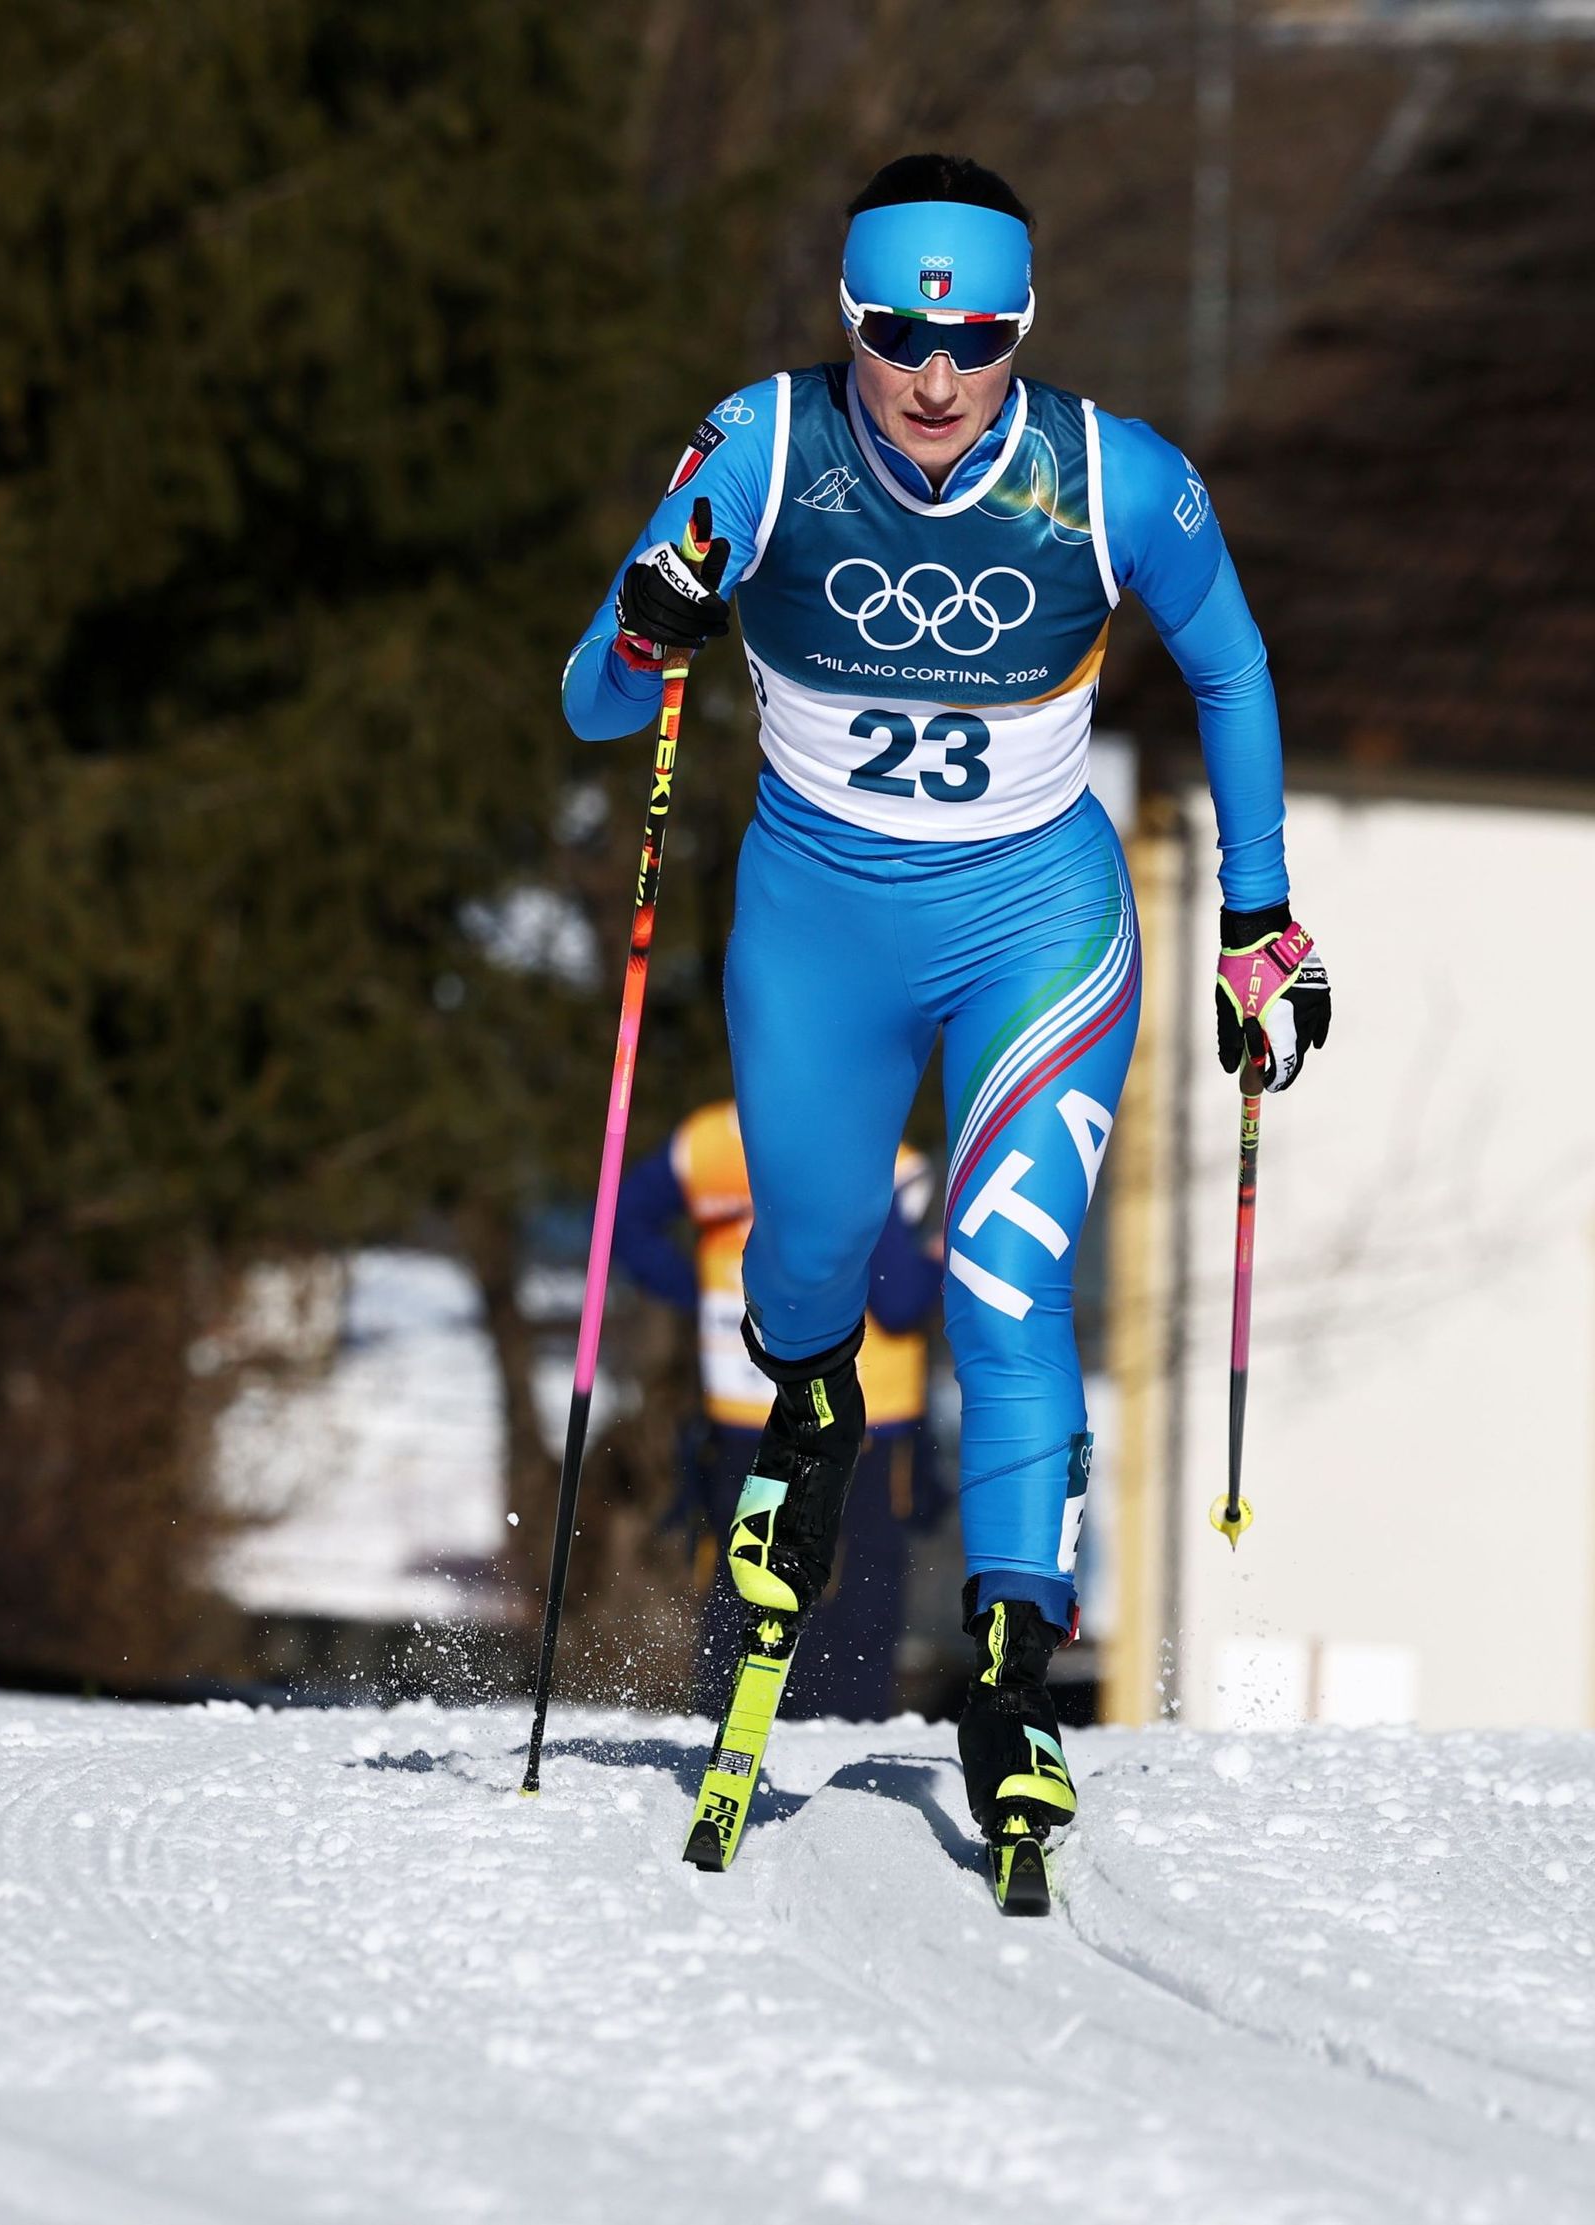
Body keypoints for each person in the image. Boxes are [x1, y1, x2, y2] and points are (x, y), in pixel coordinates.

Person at [563, 153, 1331, 1859]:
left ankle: (1008, 1678)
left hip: (1035, 931)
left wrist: (1259, 910)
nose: (932, 382)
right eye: (898, 342)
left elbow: (1235, 666)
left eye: (974, 343)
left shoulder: (1112, 480)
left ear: (1021, 332)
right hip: (815, 935)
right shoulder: (759, 450)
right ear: (848, 323)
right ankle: (813, 1436)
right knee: (808, 1271)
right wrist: (645, 628)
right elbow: (595, 703)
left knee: (1003, 1277)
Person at [613, 1100, 943, 1720]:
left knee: (745, 1567)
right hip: (862, 1417)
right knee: (859, 1581)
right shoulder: (868, 1145)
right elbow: (899, 1301)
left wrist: (707, 1290)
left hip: (744, 1410)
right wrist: (938, 1256)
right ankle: (843, 1723)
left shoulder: (712, 1141)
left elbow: (622, 1223)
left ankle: (727, 1715)